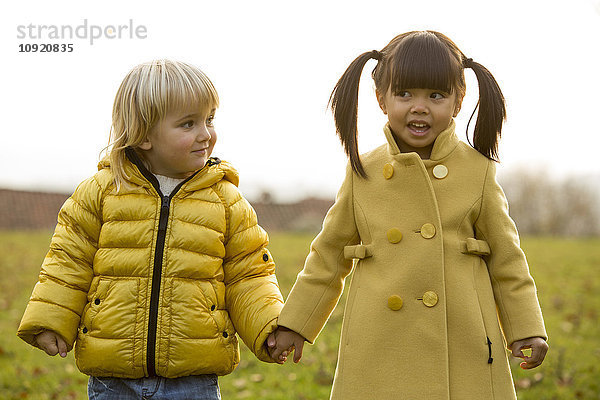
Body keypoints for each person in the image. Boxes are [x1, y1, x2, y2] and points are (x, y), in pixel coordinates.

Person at [268, 31, 548, 399]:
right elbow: (328, 257)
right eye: (405, 94)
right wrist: (295, 324)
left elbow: (507, 259)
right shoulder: (362, 170)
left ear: (458, 101)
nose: (420, 107)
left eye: (436, 95)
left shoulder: (477, 172)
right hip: (380, 343)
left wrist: (526, 326)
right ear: (382, 99)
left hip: (461, 343)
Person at [17, 59, 284, 400]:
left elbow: (250, 274)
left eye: (209, 119)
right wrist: (51, 318)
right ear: (143, 136)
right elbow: (68, 260)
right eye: (188, 124)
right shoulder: (101, 192)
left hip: (193, 378)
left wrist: (269, 327)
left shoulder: (226, 201)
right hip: (113, 378)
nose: (205, 134)